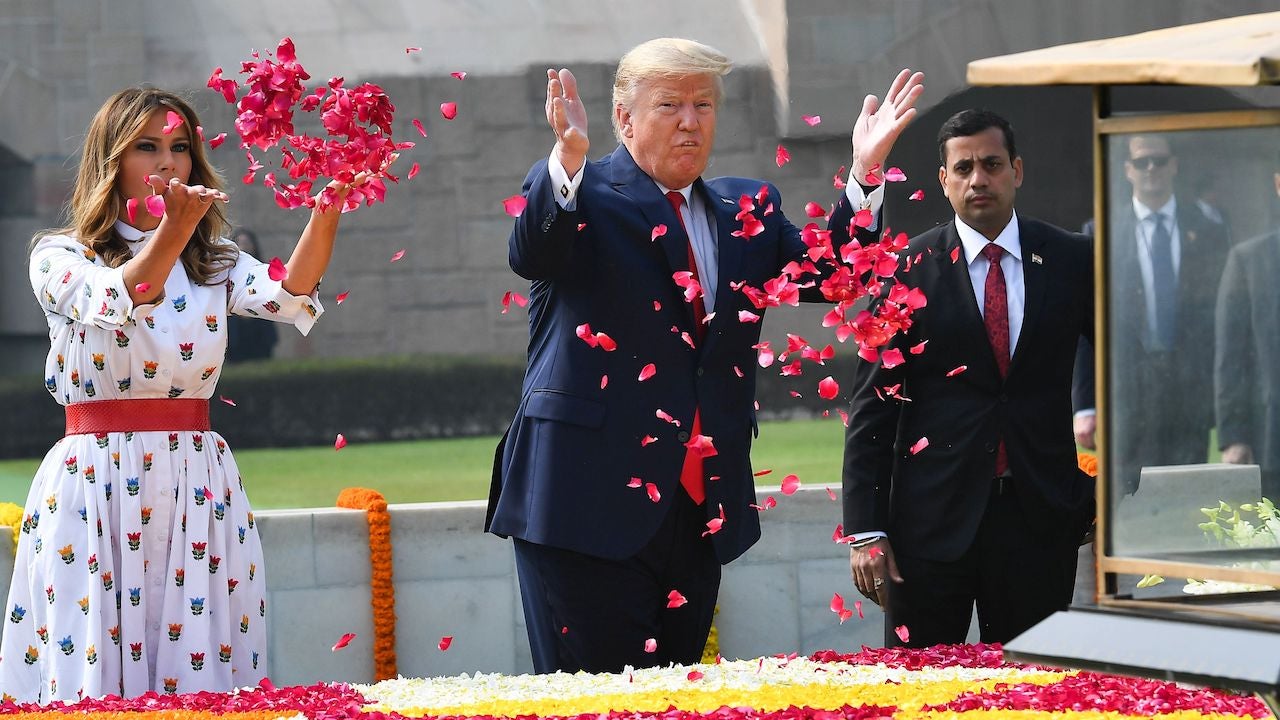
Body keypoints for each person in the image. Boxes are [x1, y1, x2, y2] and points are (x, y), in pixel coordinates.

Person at [486, 37, 922, 673]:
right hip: (581, 502)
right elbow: (533, 253)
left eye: (704, 104)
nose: (690, 121)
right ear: (625, 119)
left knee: (680, 696)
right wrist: (567, 159)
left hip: (697, 507)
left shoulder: (745, 209)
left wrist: (865, 175)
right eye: (669, 104)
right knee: (593, 703)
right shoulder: (581, 194)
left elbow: (834, 278)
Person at [0, 87, 374, 702]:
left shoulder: (213, 259)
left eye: (179, 147)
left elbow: (290, 292)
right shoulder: (61, 255)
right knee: (91, 662)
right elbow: (128, 292)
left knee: (201, 664)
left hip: (194, 475)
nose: (166, 162)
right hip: (94, 477)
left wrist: (328, 207)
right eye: (146, 147)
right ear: (111, 160)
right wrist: (175, 227)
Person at [842, 109, 1094, 647]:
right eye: (963, 168)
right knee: (923, 697)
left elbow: (1129, 369)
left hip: (1041, 522)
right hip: (928, 530)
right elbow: (873, 406)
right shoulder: (907, 268)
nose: (978, 179)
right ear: (943, 180)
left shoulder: (1072, 259)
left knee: (1042, 693)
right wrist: (864, 529)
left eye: (992, 164)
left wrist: (1111, 491)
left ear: (1017, 171)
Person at [1072, 134, 1228, 494]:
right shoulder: (1101, 233)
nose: (1151, 169)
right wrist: (1084, 406)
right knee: (1130, 499)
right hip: (1127, 393)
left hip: (1190, 391)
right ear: (1127, 170)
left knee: (1190, 499)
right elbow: (1084, 324)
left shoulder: (1209, 231)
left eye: (1159, 160)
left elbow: (1221, 319)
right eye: (1141, 162)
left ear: (1174, 164)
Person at [1214, 151, 1280, 501]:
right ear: (1278, 184)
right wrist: (1234, 435)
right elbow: (1231, 356)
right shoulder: (1249, 261)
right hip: (1272, 440)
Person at [225, 229, 279, 363]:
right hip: (235, 326)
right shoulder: (225, 272)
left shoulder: (264, 270)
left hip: (259, 323)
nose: (244, 247)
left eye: (247, 243)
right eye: (240, 243)